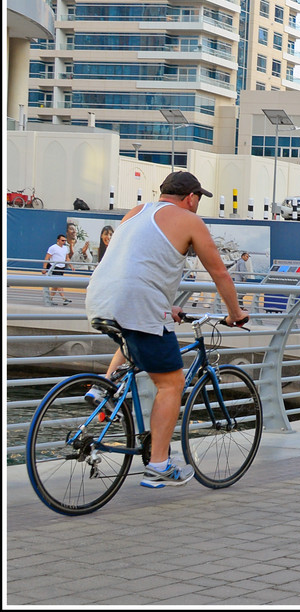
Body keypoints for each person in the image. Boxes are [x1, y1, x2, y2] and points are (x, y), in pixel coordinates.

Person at [85, 171, 249, 489]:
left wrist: (166, 306)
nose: (198, 205)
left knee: (135, 336)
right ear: (191, 197)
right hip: (137, 303)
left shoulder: (136, 212)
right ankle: (159, 464)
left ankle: (104, 387)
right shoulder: (189, 220)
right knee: (172, 383)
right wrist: (235, 313)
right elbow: (219, 273)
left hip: (101, 298)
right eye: (198, 199)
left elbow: (132, 260)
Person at [42, 233, 75, 305]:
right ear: (58, 240)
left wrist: (71, 265)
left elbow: (67, 258)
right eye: (62, 240)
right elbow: (47, 257)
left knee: (55, 286)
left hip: (61, 267)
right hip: (54, 267)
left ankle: (50, 299)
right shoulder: (53, 247)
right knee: (58, 283)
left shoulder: (65, 248)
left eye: (65, 241)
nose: (64, 242)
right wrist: (44, 268)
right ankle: (64, 299)